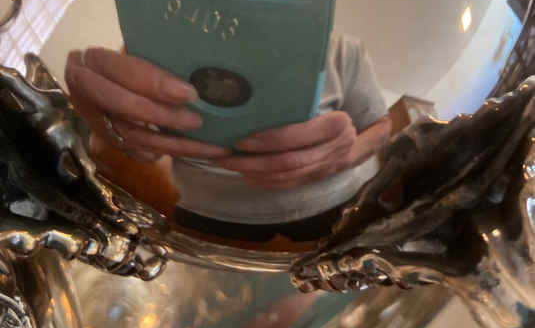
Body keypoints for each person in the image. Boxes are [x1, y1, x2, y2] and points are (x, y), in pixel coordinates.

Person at [65, 34, 392, 209]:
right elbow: (145, 154)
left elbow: (383, 126)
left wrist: (345, 156)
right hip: (199, 225)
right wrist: (119, 137)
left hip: (337, 216)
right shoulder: (169, 48)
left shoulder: (345, 51)